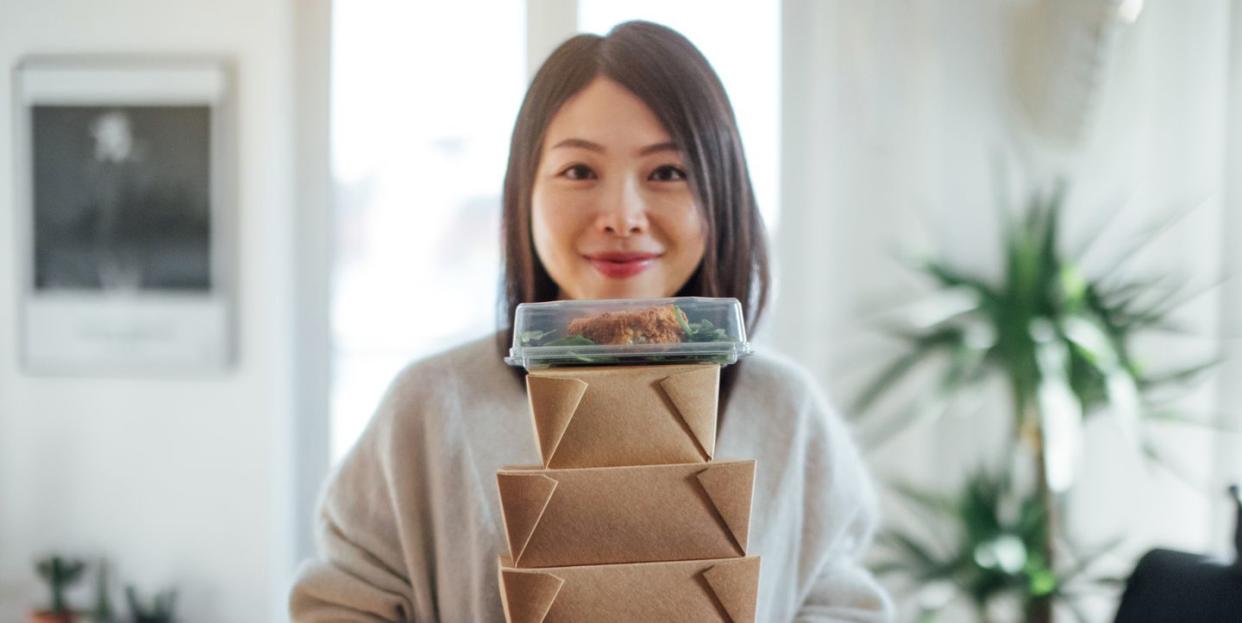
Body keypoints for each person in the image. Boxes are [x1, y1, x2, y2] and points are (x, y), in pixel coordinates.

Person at [289, 20, 892, 622]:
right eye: (579, 171)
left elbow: (841, 603)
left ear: (721, 195)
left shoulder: (785, 411)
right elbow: (344, 602)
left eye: (667, 172)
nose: (623, 215)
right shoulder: (430, 408)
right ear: (524, 193)